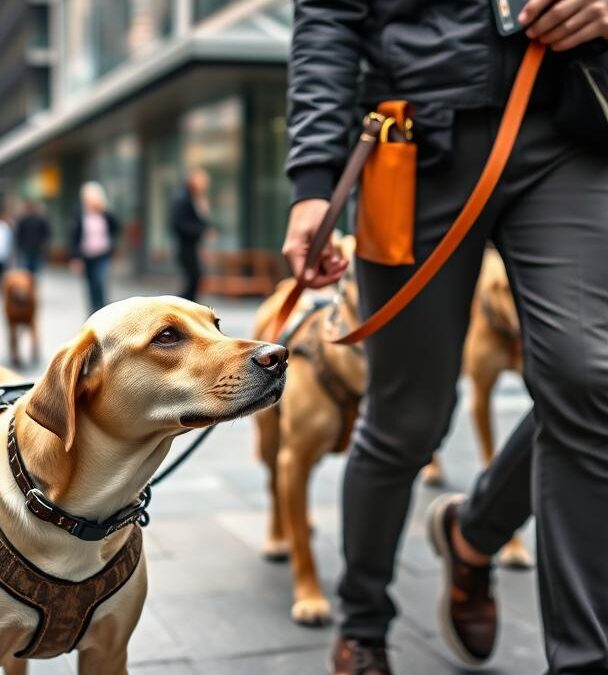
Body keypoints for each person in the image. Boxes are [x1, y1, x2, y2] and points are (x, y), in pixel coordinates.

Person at [282, 1, 608, 673]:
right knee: (407, 418)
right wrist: (314, 178)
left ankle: (576, 652)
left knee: (590, 377)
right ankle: (364, 623)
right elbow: (327, 16)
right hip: (413, 141)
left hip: (572, 125)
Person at [69, 182, 120, 315]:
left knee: (100, 282)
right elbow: (74, 236)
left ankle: (103, 312)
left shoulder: (104, 214)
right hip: (86, 256)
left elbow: (117, 228)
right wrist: (75, 258)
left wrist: (104, 211)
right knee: (91, 286)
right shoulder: (80, 213)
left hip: (102, 254)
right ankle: (93, 314)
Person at [171, 168, 211, 302]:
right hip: (186, 245)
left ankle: (185, 307)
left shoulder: (193, 198)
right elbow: (179, 223)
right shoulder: (182, 198)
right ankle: (180, 306)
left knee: (195, 279)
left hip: (192, 245)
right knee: (193, 278)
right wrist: (201, 230)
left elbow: (198, 221)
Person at [15, 200, 51, 274]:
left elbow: (46, 234)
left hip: (35, 248)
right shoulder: (24, 219)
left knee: (33, 268)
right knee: (28, 268)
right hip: (27, 248)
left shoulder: (40, 219)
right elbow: (19, 234)